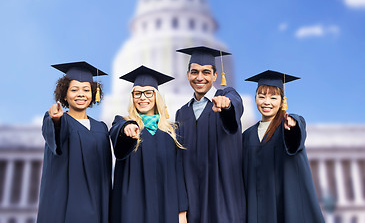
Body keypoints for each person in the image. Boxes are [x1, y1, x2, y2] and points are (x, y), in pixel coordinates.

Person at [242, 70, 325, 223]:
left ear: (282, 101)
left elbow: (296, 135)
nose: (267, 102)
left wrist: (293, 125)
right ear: (255, 99)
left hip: (283, 205)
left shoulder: (286, 126)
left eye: (273, 97)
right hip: (256, 208)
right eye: (261, 97)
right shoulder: (247, 136)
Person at [109, 65, 188, 223]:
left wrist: (182, 212)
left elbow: (178, 175)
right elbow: (116, 134)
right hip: (131, 206)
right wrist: (127, 129)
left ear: (156, 96)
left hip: (165, 205)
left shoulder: (171, 132)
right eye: (137, 93)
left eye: (148, 93)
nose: (142, 98)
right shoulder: (123, 123)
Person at [175, 46, 245, 223]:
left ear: (215, 76)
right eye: (194, 72)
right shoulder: (182, 113)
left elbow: (234, 107)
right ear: (188, 75)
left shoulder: (227, 96)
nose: (200, 77)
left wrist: (226, 106)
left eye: (206, 72)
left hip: (222, 197)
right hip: (193, 202)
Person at [37, 61, 112, 223]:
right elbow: (56, 134)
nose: (81, 94)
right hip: (67, 206)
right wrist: (56, 120)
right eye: (74, 89)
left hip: (97, 205)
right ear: (64, 94)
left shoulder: (101, 129)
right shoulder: (60, 120)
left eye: (86, 90)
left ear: (93, 94)